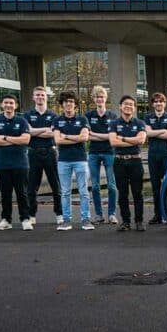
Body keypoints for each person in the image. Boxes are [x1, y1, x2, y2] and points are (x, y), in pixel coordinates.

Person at [0, 95, 33, 231]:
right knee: (5, 194)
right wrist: (15, 140)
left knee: (22, 193)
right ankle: (6, 220)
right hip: (2, 164)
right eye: (6, 103)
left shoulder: (22, 121)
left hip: (20, 164)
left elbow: (25, 140)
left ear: (16, 106)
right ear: (2, 105)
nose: (8, 105)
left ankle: (25, 219)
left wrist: (5, 138)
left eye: (11, 103)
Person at [52, 91, 92, 231]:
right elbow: (57, 140)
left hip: (80, 160)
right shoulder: (57, 120)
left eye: (71, 101)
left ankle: (86, 220)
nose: (68, 104)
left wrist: (66, 136)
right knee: (65, 192)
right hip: (63, 160)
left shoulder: (83, 120)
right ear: (62, 104)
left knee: (84, 191)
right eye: (65, 102)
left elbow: (84, 138)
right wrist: (75, 137)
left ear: (75, 104)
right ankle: (66, 220)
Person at [24, 86, 63, 226]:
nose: (40, 97)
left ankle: (59, 213)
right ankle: (32, 214)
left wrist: (35, 131)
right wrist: (45, 129)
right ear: (33, 97)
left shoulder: (54, 116)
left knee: (55, 185)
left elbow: (54, 133)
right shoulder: (27, 115)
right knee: (32, 186)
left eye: (42, 95)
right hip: (33, 152)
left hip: (50, 151)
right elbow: (27, 132)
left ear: (46, 97)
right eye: (37, 95)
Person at [109, 95, 147, 232]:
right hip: (119, 161)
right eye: (125, 104)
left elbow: (141, 140)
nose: (128, 106)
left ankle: (139, 221)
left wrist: (123, 138)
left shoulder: (140, 123)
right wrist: (133, 139)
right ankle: (126, 221)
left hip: (135, 161)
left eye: (131, 104)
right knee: (123, 193)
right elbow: (113, 142)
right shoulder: (114, 123)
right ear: (120, 106)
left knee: (138, 193)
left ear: (134, 108)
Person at [86, 86, 119, 224]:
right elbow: (87, 136)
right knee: (95, 186)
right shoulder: (88, 116)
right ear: (94, 99)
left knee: (112, 185)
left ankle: (111, 214)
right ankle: (99, 215)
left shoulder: (113, 116)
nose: (100, 99)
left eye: (102, 97)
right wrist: (105, 136)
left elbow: (113, 136)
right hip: (93, 153)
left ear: (106, 99)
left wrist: (95, 134)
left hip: (109, 153)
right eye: (97, 97)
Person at [145, 92, 167, 224]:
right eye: (156, 101)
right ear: (153, 104)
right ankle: (157, 215)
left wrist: (154, 133)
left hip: (166, 155)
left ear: (165, 103)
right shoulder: (148, 117)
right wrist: (162, 131)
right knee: (155, 186)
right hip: (153, 156)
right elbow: (147, 133)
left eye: (161, 101)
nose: (158, 104)